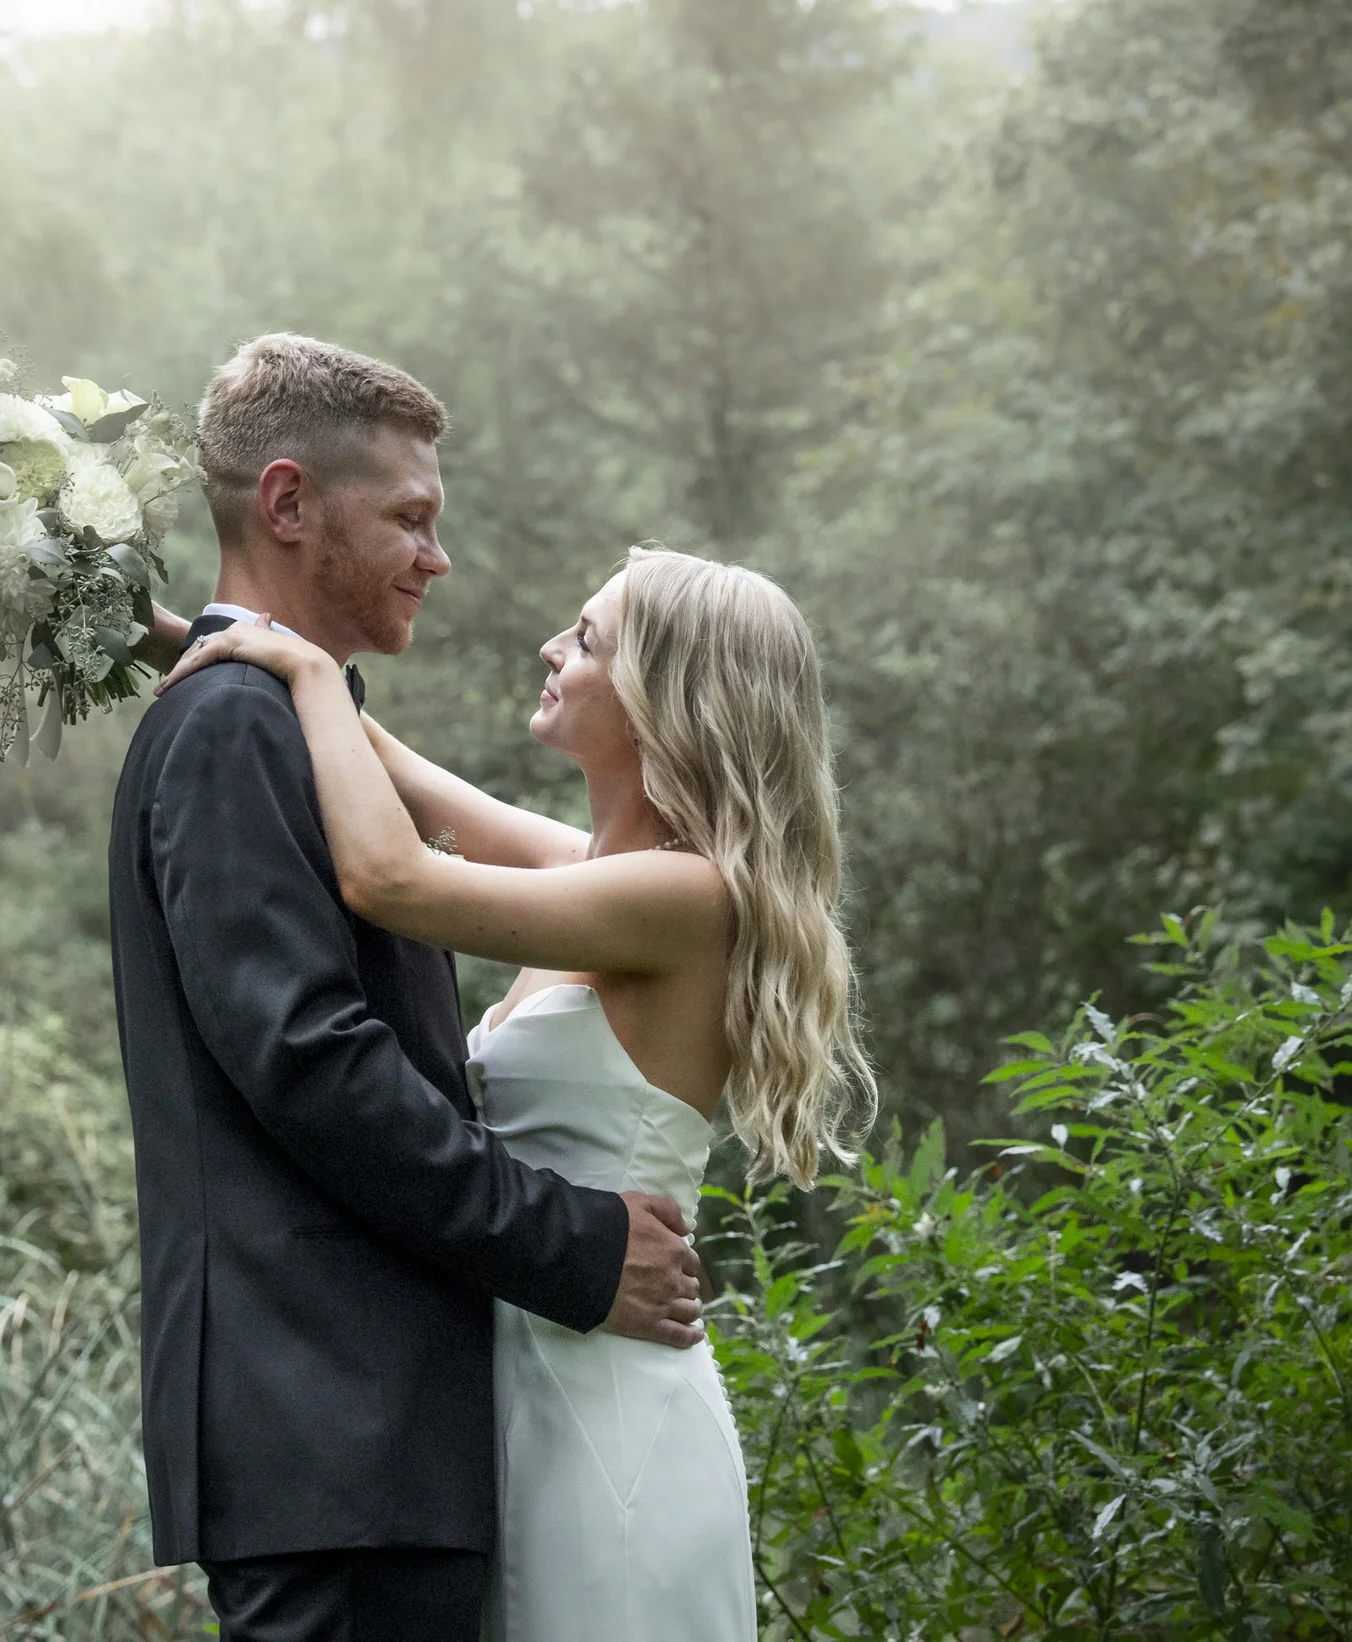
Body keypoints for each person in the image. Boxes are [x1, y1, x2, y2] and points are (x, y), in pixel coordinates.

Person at [155, 539, 875, 1641]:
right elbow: (387, 761)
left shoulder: (684, 898)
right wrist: (193, 636)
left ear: (660, 698)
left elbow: (390, 876)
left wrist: (299, 675)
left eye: (584, 638)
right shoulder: (591, 871)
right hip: (522, 1372)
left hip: (604, 1404)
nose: (551, 648)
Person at [109, 333, 706, 1642]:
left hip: (375, 1448)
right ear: (285, 503)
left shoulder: (275, 718)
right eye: (412, 517)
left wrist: (241, 649)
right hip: (334, 1433)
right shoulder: (234, 729)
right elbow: (317, 1063)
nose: (439, 556)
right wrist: (575, 1244)